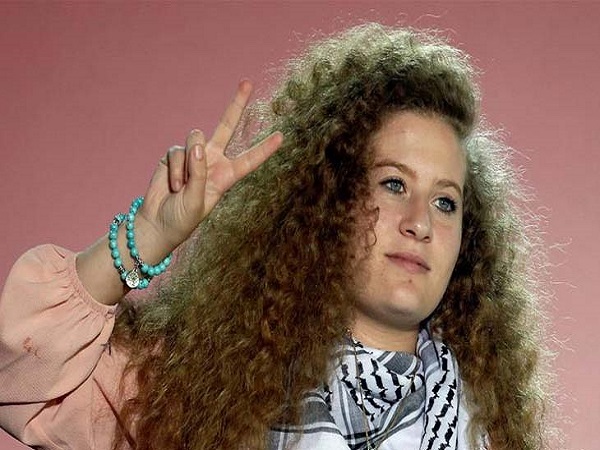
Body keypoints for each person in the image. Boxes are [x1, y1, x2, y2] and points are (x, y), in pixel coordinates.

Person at [0, 23, 552, 450]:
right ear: (326, 199)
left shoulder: (492, 432)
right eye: (393, 184)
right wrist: (147, 236)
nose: (420, 223)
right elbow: (22, 378)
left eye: (445, 201)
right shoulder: (198, 389)